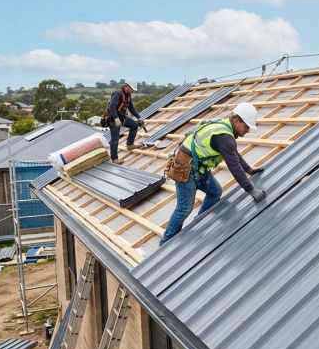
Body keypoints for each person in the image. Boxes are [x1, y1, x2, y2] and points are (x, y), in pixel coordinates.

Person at [159, 103, 266, 245]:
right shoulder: (224, 136)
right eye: (246, 127)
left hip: (197, 167)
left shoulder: (226, 128)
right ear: (236, 121)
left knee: (215, 192)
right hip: (185, 167)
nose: (247, 131)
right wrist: (251, 190)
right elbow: (234, 166)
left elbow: (233, 154)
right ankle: (166, 241)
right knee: (184, 208)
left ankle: (199, 221)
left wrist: (249, 170)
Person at [106, 83, 143, 164]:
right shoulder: (118, 94)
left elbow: (131, 107)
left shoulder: (128, 95)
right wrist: (116, 118)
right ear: (126, 86)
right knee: (115, 139)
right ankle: (114, 158)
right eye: (132, 89)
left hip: (122, 117)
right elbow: (111, 107)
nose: (132, 91)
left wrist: (139, 117)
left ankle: (130, 144)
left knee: (134, 125)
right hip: (112, 118)